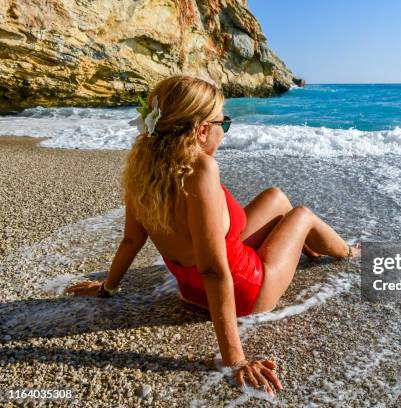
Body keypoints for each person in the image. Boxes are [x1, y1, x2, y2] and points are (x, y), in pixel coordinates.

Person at [66, 75, 359, 396]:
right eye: (224, 123)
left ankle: (305, 249)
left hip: (191, 291)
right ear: (202, 130)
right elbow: (213, 269)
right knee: (301, 214)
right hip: (248, 292)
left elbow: (131, 241)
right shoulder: (200, 169)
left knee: (276, 196)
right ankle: (348, 252)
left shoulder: (143, 167)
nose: (224, 130)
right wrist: (236, 359)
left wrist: (108, 289)